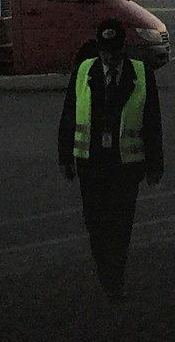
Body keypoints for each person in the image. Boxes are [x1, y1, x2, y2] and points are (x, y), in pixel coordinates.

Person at [57, 19, 164, 303]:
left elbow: (152, 120)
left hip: (126, 164)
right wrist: (65, 156)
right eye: (105, 52)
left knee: (120, 224)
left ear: (123, 49)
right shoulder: (84, 71)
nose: (109, 58)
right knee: (95, 222)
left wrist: (155, 165)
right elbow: (69, 113)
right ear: (99, 49)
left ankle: (114, 277)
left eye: (114, 52)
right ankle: (107, 271)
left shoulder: (140, 73)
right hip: (91, 161)